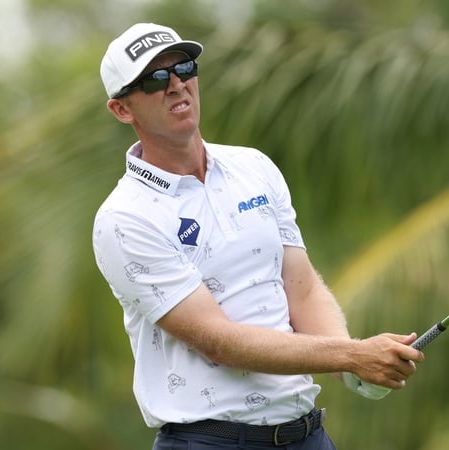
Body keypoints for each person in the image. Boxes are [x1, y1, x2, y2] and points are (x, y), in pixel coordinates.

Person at [92, 22, 424, 449]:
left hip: (306, 435)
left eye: (185, 68)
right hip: (210, 441)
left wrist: (352, 367)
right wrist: (352, 355)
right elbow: (219, 342)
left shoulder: (254, 167)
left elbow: (300, 291)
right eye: (155, 78)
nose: (176, 85)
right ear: (122, 110)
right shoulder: (123, 218)